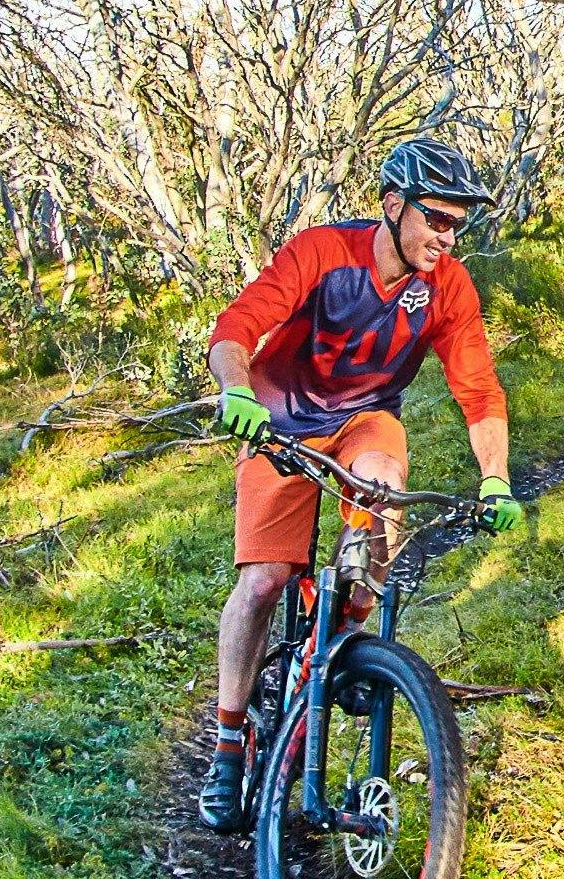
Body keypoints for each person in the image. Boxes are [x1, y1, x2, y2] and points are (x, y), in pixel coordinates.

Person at [197, 136, 529, 830]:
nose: (446, 235)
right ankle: (230, 741)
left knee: (380, 501)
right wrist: (237, 391)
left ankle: (339, 638)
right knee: (262, 581)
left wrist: (495, 477)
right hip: (278, 420)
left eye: (456, 224)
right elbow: (236, 326)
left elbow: (480, 390)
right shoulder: (321, 253)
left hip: (365, 420)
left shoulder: (447, 287)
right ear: (391, 205)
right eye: (434, 218)